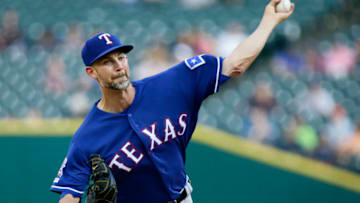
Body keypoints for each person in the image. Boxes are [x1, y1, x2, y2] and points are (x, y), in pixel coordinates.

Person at [50, 0, 294, 202]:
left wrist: (268, 22)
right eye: (107, 62)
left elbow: (235, 64)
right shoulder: (87, 138)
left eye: (121, 57)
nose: (118, 66)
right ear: (91, 72)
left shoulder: (172, 84)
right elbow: (69, 195)